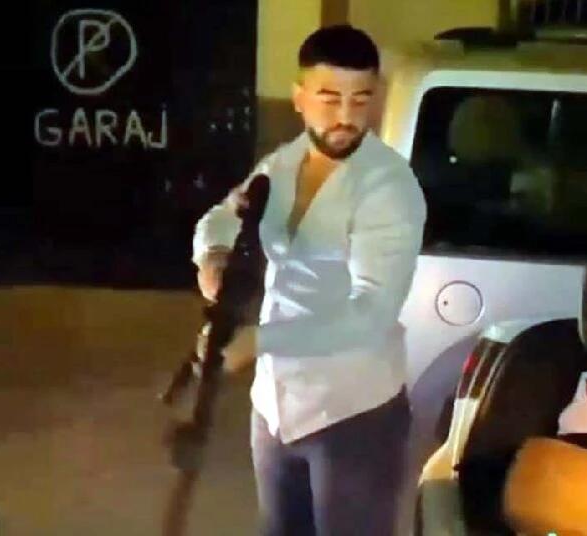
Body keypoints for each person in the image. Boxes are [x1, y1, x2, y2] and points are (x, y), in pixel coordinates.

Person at [192, 25, 426, 536]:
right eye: (329, 98)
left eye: (361, 99)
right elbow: (224, 216)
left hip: (352, 412)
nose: (346, 117)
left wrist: (258, 342)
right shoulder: (284, 162)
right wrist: (213, 257)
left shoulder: (388, 188)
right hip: (275, 408)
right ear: (299, 98)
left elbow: (371, 315)